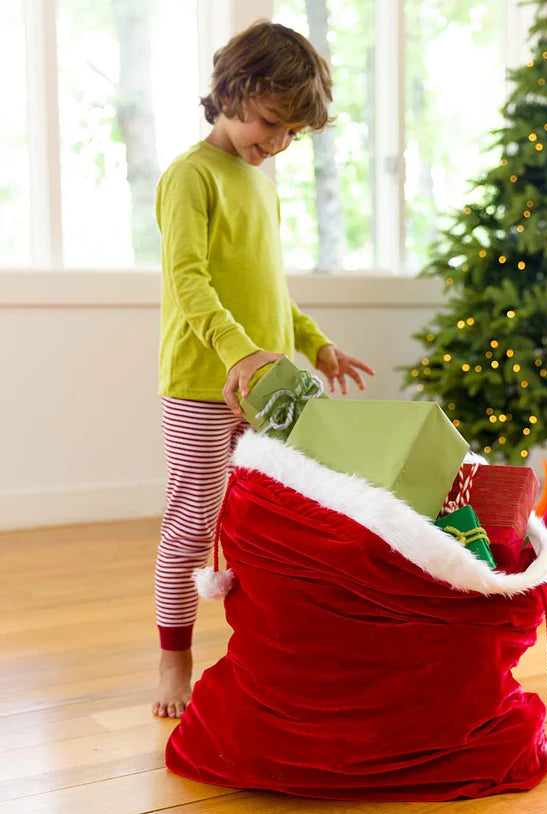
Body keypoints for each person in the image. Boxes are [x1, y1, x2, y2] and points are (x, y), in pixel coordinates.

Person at [152, 20, 374, 718]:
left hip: (267, 387)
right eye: (272, 123)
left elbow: (269, 287)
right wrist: (237, 352)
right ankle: (174, 657)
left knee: (271, 522)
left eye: (292, 135)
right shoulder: (190, 177)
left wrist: (313, 343)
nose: (277, 144)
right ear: (231, 90)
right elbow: (190, 281)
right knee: (192, 522)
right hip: (201, 383)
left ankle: (269, 649)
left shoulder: (259, 183)